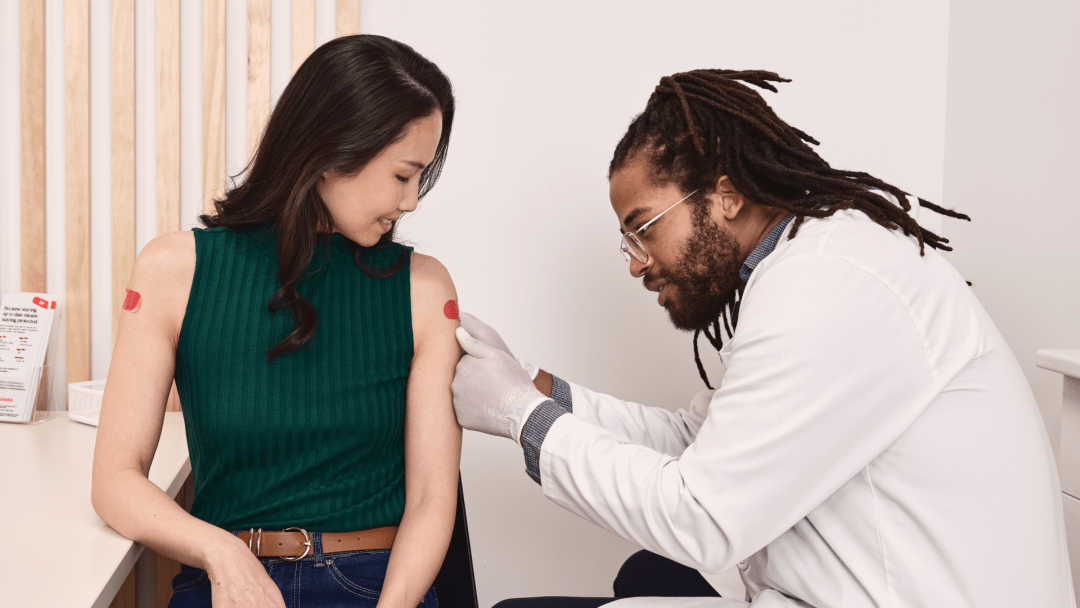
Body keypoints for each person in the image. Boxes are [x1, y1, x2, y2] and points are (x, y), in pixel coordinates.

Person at [451, 70, 1074, 607]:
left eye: (644, 229)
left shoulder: (826, 284)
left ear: (724, 195)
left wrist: (520, 416)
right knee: (646, 573)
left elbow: (703, 517)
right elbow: (702, 442)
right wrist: (533, 387)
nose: (636, 262)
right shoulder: (809, 261)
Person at [92, 35, 462, 608]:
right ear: (333, 152)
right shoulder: (172, 270)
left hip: (378, 586)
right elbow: (115, 481)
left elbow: (432, 498)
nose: (412, 201)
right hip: (228, 582)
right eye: (402, 175)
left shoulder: (425, 289)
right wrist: (221, 553)